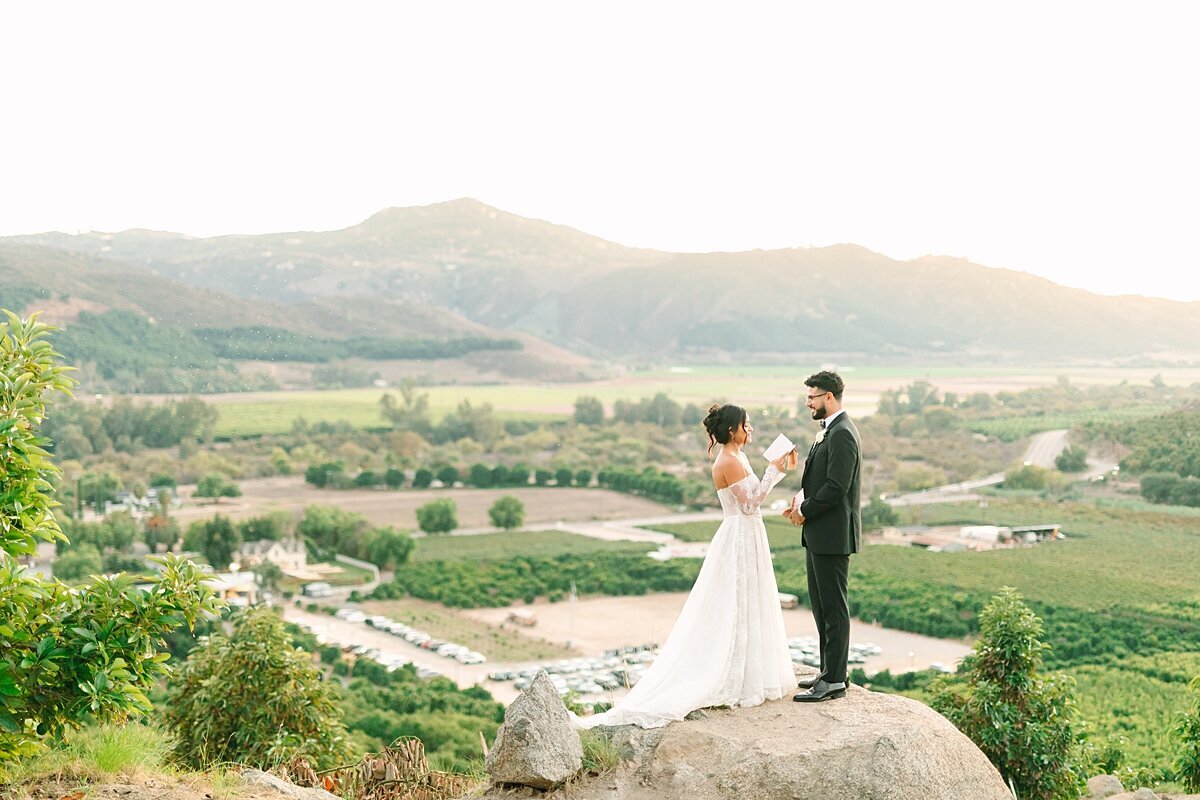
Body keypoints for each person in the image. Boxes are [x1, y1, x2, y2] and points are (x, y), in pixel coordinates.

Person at [576, 403, 798, 729]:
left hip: (746, 532)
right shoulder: (729, 460)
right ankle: (736, 672)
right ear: (731, 430)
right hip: (740, 532)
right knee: (738, 600)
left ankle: (749, 668)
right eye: (745, 425)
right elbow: (749, 505)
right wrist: (774, 471)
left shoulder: (736, 457)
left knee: (749, 599)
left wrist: (774, 471)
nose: (749, 429)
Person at [784, 370, 862, 702]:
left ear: (829, 397)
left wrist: (806, 510)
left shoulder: (843, 433)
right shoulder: (829, 431)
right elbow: (820, 482)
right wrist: (799, 501)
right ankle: (827, 672)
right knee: (821, 607)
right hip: (820, 535)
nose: (808, 404)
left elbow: (836, 488)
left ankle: (835, 680)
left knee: (833, 608)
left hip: (832, 536)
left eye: (812, 397)